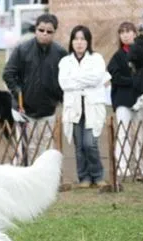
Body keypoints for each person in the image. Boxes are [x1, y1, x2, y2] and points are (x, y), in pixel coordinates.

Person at [2, 14, 67, 165]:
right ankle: (24, 179)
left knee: (46, 148)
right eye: (41, 30)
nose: (44, 33)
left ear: (54, 32)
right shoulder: (22, 49)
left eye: (49, 31)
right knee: (26, 149)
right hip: (24, 110)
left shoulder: (60, 53)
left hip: (48, 110)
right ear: (36, 29)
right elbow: (8, 73)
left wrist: (60, 98)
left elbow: (66, 79)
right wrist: (18, 93)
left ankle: (44, 179)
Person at [59, 25, 108, 188]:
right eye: (76, 39)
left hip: (92, 107)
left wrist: (76, 79)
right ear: (71, 41)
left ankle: (97, 175)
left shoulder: (97, 59)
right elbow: (64, 83)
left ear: (88, 42)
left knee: (90, 143)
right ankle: (84, 178)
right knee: (79, 146)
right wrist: (84, 79)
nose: (79, 43)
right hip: (74, 108)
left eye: (83, 39)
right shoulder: (65, 61)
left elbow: (97, 78)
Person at [107, 22, 139, 176]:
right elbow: (114, 76)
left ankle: (142, 166)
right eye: (122, 32)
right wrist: (133, 80)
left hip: (141, 99)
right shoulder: (117, 56)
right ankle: (122, 167)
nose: (125, 35)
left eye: (128, 31)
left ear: (135, 33)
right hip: (123, 99)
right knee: (123, 133)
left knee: (142, 133)